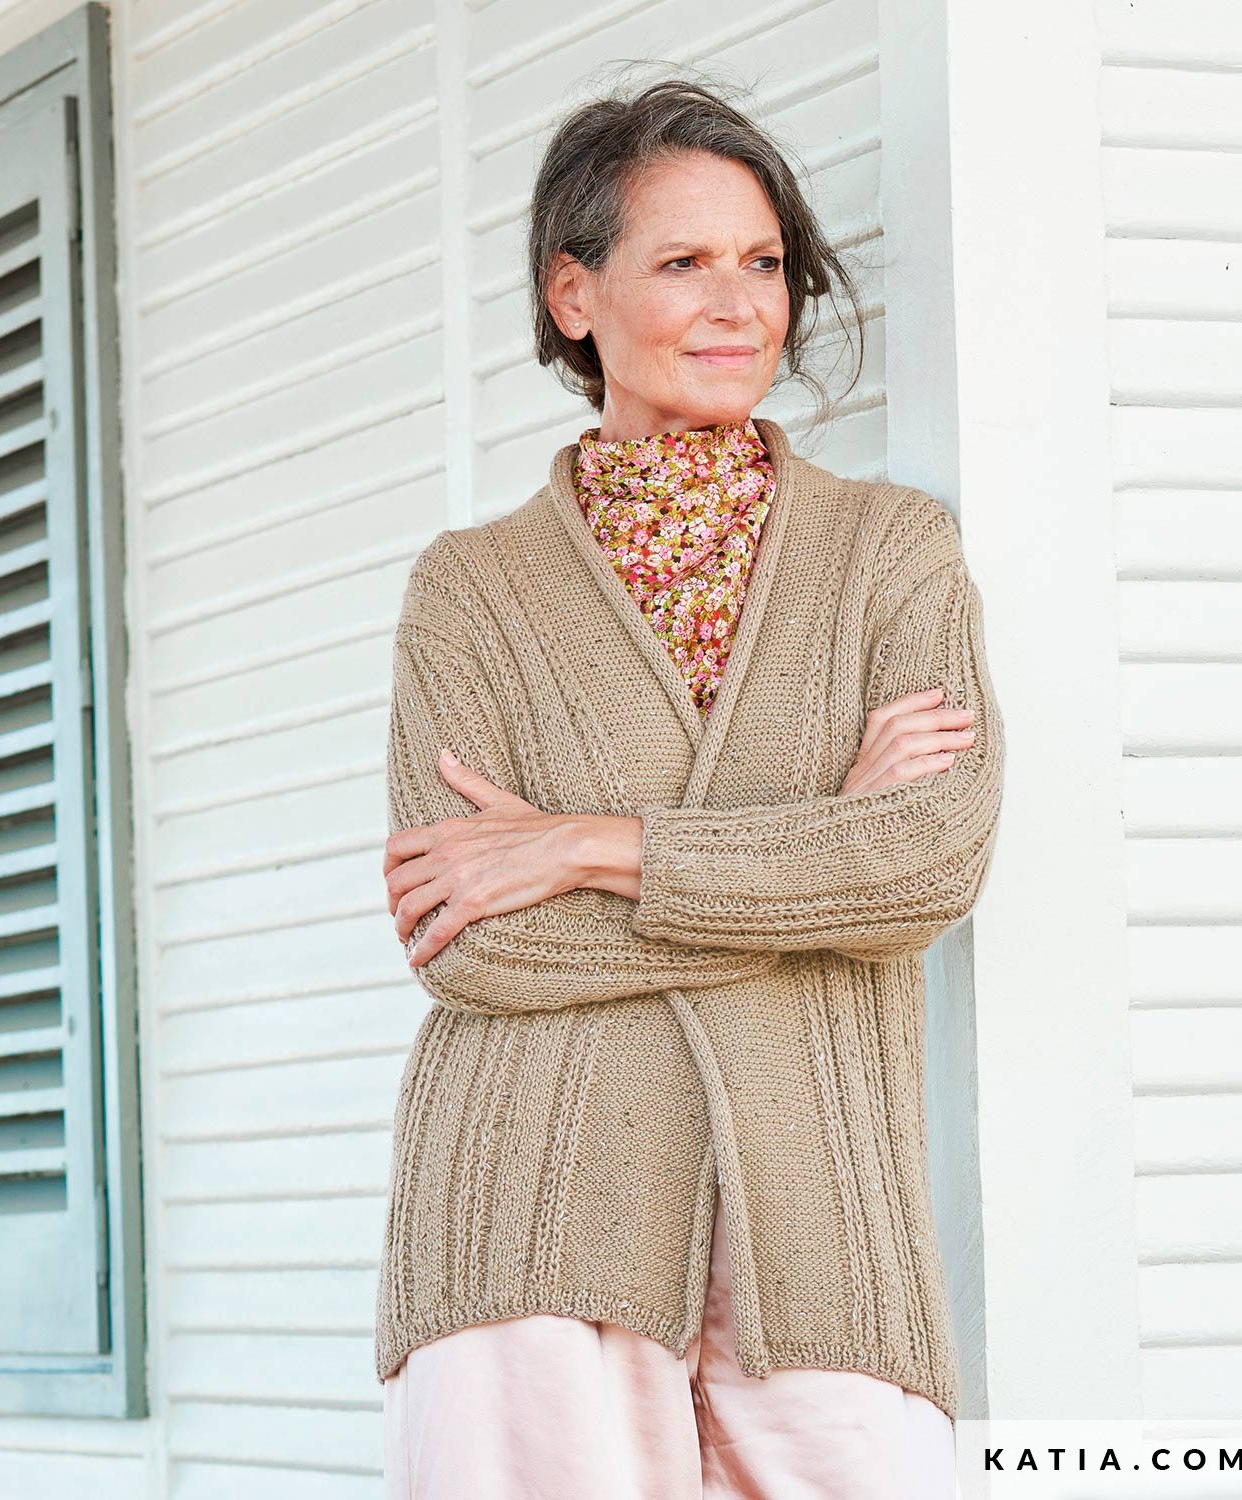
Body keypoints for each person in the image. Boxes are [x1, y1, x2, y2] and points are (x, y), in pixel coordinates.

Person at [376, 72, 1004, 1500]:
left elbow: (928, 866)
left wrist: (592, 842)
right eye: (683, 263)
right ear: (575, 294)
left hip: (823, 1226)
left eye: (764, 263)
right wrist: (819, 847)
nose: (740, 305)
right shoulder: (471, 594)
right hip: (529, 1222)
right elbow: (473, 937)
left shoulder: (890, 556)